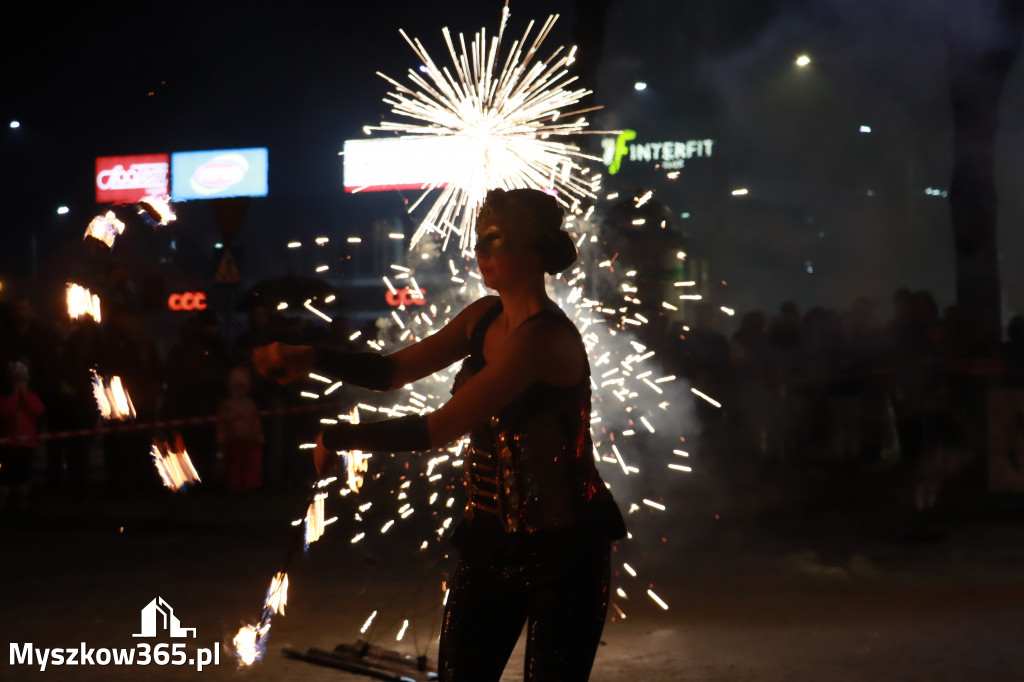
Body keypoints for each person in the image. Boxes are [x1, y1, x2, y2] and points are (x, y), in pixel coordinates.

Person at [254, 188, 625, 682]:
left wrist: (343, 437)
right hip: (491, 541)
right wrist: (314, 356)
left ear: (533, 250)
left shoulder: (543, 338)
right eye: (479, 240)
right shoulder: (481, 316)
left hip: (565, 550)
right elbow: (391, 371)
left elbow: (439, 428)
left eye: (496, 240)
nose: (481, 252)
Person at [0, 361, 45, 511]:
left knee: (23, 476)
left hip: (27, 445)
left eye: (23, 381)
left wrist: (24, 396)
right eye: (17, 381)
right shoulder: (5, 398)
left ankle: (22, 504)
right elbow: (4, 412)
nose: (20, 384)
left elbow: (38, 410)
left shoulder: (31, 396)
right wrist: (14, 396)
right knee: (5, 476)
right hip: (8, 445)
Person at [217, 366, 264, 491]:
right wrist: (221, 434)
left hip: (250, 440)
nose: (239, 390)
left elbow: (255, 420)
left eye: (242, 386)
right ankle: (235, 485)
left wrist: (258, 434)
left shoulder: (250, 404)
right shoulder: (227, 404)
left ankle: (251, 484)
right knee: (235, 464)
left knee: (252, 463)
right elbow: (221, 422)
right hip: (233, 440)